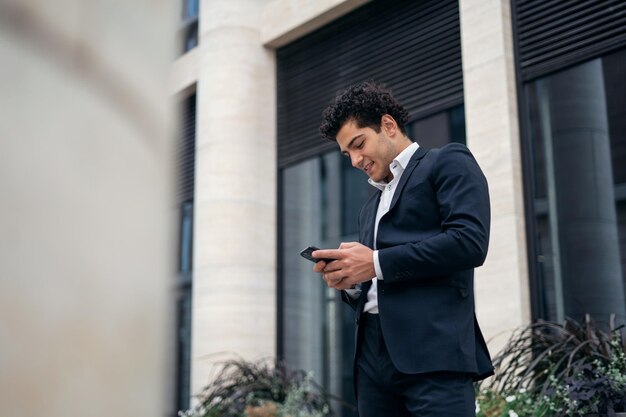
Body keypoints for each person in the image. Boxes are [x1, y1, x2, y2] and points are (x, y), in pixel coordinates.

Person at [311, 81, 494, 417]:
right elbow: (375, 276)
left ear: (388, 125)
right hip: (371, 359)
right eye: (347, 153)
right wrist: (350, 282)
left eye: (358, 144)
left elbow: (469, 242)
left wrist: (375, 263)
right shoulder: (370, 207)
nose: (354, 160)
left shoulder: (448, 161)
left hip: (433, 354)